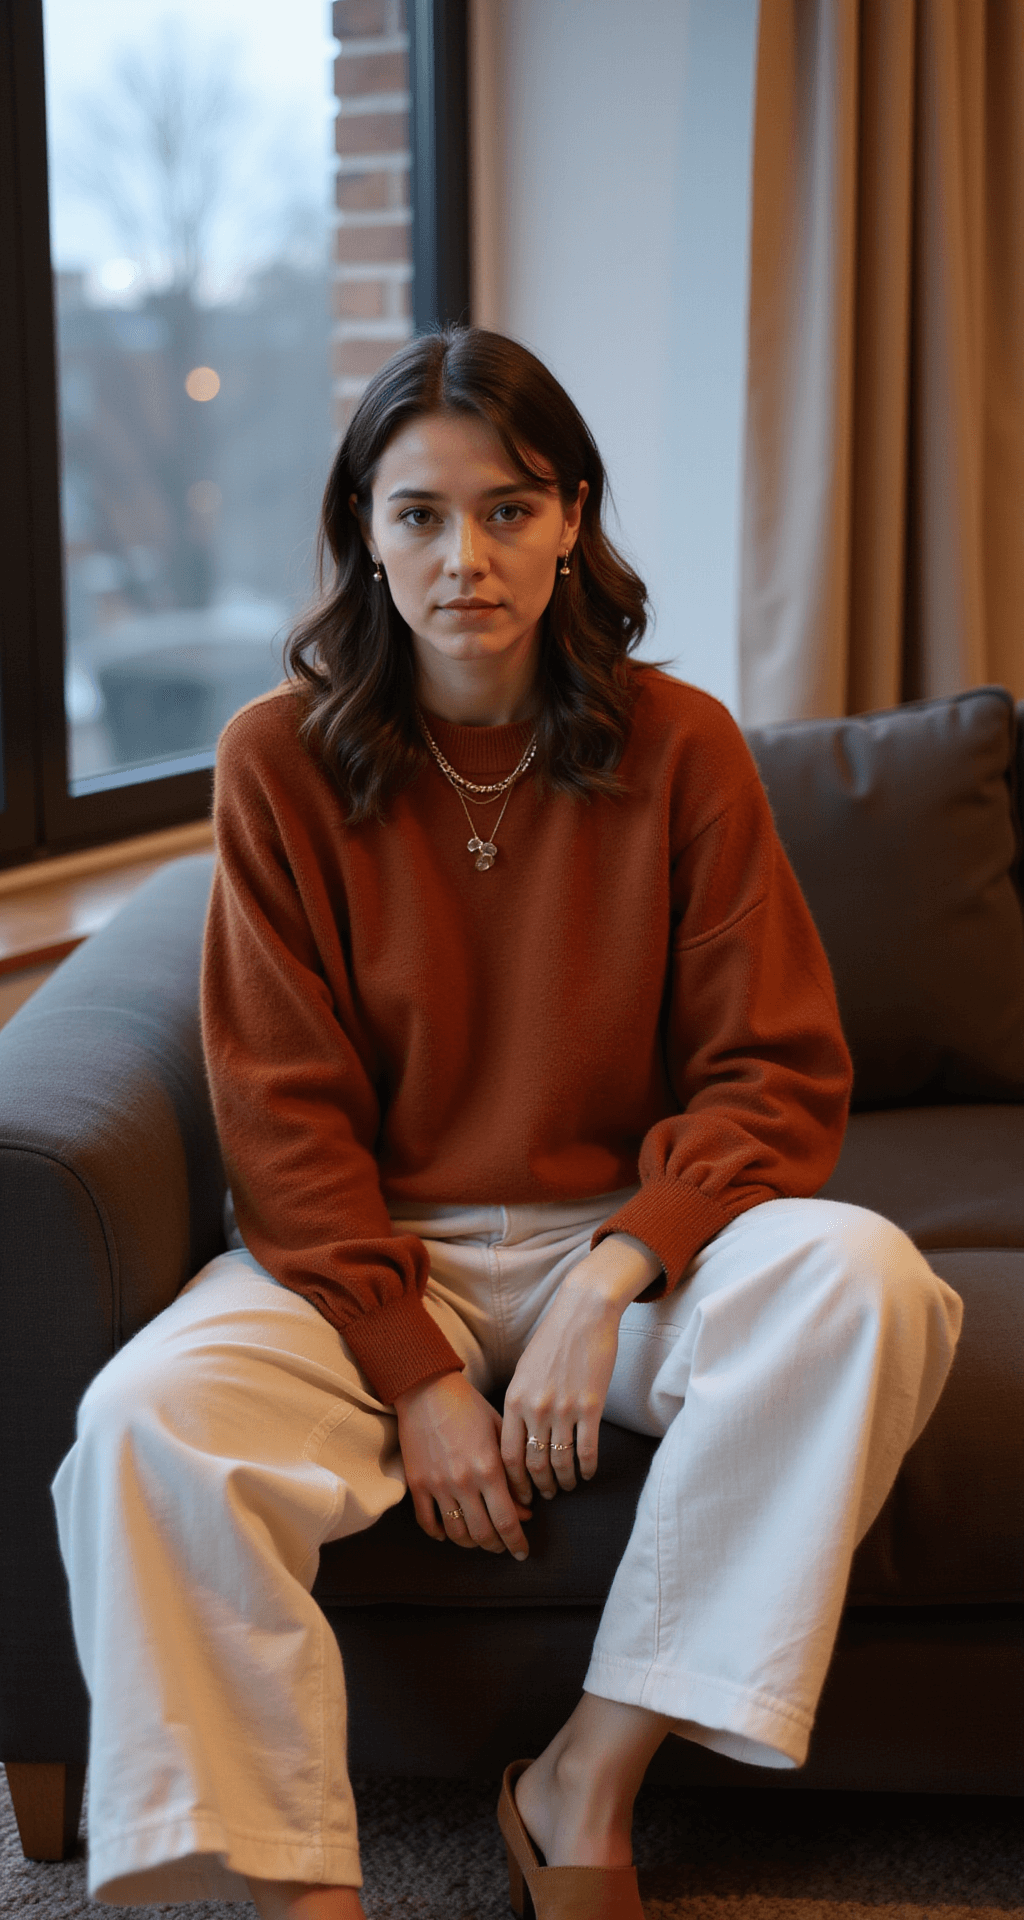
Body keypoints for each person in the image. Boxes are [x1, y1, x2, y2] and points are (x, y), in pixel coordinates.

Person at [53, 327, 962, 1920]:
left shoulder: (680, 747)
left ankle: (581, 1781)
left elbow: (774, 1069)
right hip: (354, 1263)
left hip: (613, 1260)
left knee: (868, 1279)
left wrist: (616, 1271)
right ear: (366, 534)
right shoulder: (276, 763)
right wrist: (413, 1368)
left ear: (570, 520)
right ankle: (291, 1894)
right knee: (140, 1428)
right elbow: (281, 1108)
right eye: (419, 515)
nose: (464, 555)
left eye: (508, 509)